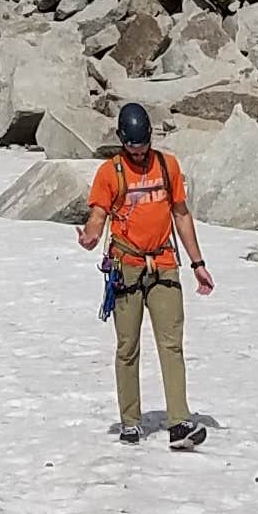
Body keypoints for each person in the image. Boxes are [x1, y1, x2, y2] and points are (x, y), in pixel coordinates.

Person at [79, 101, 212, 447]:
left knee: (172, 344)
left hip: (164, 263)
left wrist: (198, 264)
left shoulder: (168, 166)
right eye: (131, 147)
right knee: (128, 346)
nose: (138, 154)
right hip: (127, 267)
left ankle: (179, 422)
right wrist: (91, 235)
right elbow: (98, 213)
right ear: (122, 140)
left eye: (142, 146)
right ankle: (131, 421)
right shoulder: (110, 173)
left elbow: (181, 215)